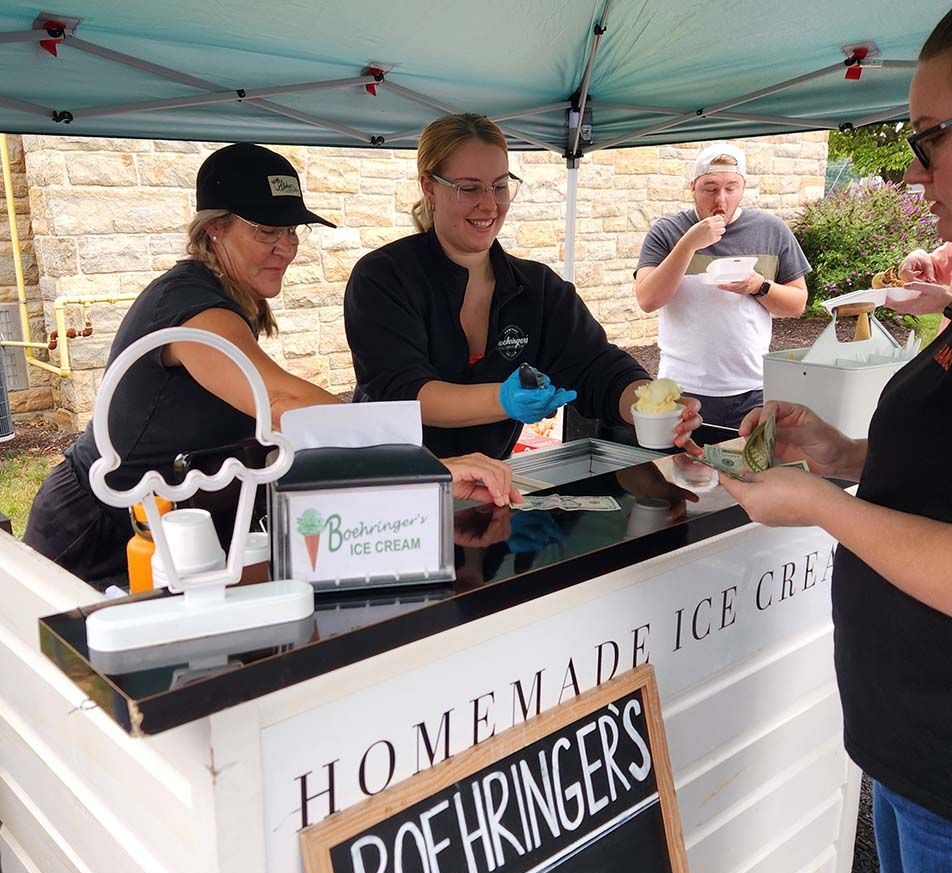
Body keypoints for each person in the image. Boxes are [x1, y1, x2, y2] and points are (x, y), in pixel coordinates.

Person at [708, 13, 952, 873]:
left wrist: (818, 505)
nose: (913, 172)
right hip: (914, 738)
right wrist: (842, 454)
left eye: (931, 137)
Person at [24, 142, 519, 586]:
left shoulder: (228, 299)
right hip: (98, 530)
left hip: (179, 528)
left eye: (291, 231)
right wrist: (424, 464)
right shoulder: (191, 308)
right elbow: (280, 400)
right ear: (214, 230)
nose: (286, 248)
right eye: (266, 231)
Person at [343, 113, 701, 460]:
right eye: (469, 188)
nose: (489, 204)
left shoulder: (537, 288)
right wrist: (502, 399)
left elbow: (596, 368)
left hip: (489, 485)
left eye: (500, 186)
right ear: (429, 187)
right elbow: (402, 393)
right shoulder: (383, 277)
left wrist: (654, 403)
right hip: (391, 482)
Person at [635, 143, 810, 428]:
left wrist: (759, 286)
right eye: (710, 188)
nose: (722, 199)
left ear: (743, 187)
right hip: (681, 388)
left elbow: (797, 304)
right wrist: (689, 244)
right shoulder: (667, 231)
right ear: (693, 187)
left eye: (731, 188)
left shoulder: (771, 230)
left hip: (754, 389)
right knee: (682, 470)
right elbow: (647, 299)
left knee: (749, 471)